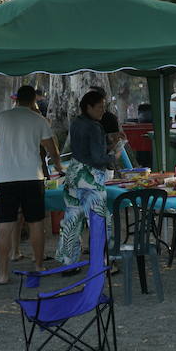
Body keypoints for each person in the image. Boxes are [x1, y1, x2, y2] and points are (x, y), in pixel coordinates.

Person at [0, 85, 62, 283]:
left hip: (6, 178)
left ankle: (3, 274)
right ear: (33, 100)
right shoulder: (38, 119)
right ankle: (38, 265)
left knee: (5, 225)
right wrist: (59, 165)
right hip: (32, 176)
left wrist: (3, 152)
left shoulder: (0, 117)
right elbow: (52, 148)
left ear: (16, 99)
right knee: (36, 223)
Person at [59, 89, 117, 264]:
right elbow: (98, 158)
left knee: (72, 219)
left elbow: (86, 151)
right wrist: (113, 157)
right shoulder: (94, 126)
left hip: (73, 172)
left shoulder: (76, 122)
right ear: (88, 107)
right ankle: (104, 261)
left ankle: (68, 262)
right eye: (99, 107)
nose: (103, 111)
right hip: (90, 177)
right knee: (99, 220)